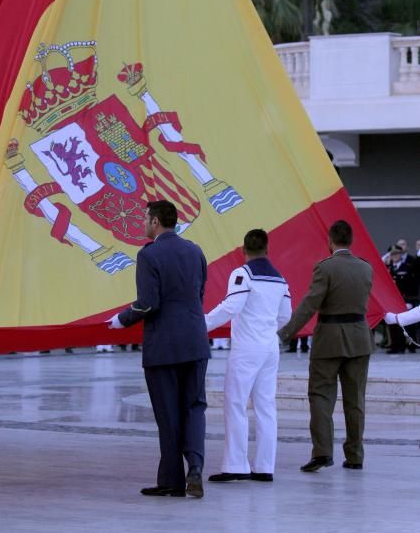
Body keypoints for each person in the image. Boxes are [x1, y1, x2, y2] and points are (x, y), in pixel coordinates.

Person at [107, 200, 210, 498]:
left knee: (168, 415)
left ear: (155, 222)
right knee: (194, 408)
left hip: (163, 345)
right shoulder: (195, 251)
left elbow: (148, 303)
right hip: (194, 340)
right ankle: (195, 467)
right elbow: (199, 292)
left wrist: (120, 320)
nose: (142, 222)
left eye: (144, 218)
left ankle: (172, 481)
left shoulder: (149, 254)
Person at [278, 220, 374, 472]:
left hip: (329, 340)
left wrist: (285, 333)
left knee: (321, 396)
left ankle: (322, 453)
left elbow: (310, 304)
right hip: (359, 339)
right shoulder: (366, 268)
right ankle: (355, 455)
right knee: (355, 400)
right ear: (350, 241)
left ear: (330, 241)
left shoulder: (325, 268)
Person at [205, 229, 291, 483]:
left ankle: (236, 465)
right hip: (269, 346)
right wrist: (266, 328)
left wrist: (200, 324)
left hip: (247, 347)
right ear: (267, 249)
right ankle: (265, 467)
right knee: (266, 406)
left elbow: (231, 307)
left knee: (235, 402)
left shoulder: (242, 274)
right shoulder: (280, 279)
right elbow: (285, 315)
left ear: (243, 250)